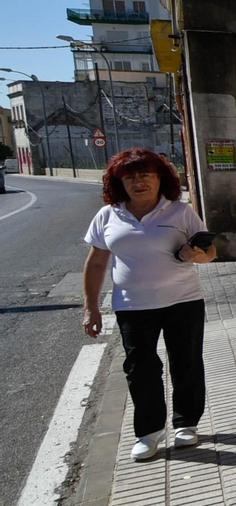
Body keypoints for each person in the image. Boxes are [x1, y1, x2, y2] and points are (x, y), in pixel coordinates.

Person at [82, 148, 217, 461]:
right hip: (132, 305)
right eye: (129, 177)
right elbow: (97, 264)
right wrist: (90, 309)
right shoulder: (108, 215)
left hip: (183, 299)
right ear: (119, 182)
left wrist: (196, 254)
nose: (138, 182)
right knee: (139, 368)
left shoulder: (180, 212)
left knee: (186, 362)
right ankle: (149, 431)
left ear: (160, 179)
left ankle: (187, 424)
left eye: (145, 175)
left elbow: (210, 253)